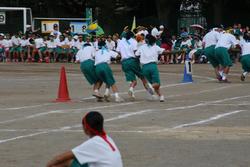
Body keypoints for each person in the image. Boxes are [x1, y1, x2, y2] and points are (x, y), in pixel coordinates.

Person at [47, 111, 123, 167]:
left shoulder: (93, 143)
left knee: (73, 163)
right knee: (75, 162)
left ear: (86, 128)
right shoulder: (107, 138)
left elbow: (59, 158)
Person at [116, 31, 154, 100]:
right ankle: (150, 93)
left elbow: (118, 52)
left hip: (124, 62)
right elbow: (136, 52)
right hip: (132, 61)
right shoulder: (133, 41)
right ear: (132, 36)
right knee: (142, 77)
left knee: (133, 80)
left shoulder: (120, 42)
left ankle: (131, 89)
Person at [135, 34, 168, 102]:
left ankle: (161, 96)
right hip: (153, 66)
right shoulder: (155, 47)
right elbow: (164, 51)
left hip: (144, 67)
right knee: (157, 83)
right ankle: (151, 88)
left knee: (151, 83)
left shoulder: (142, 47)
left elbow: (136, 54)